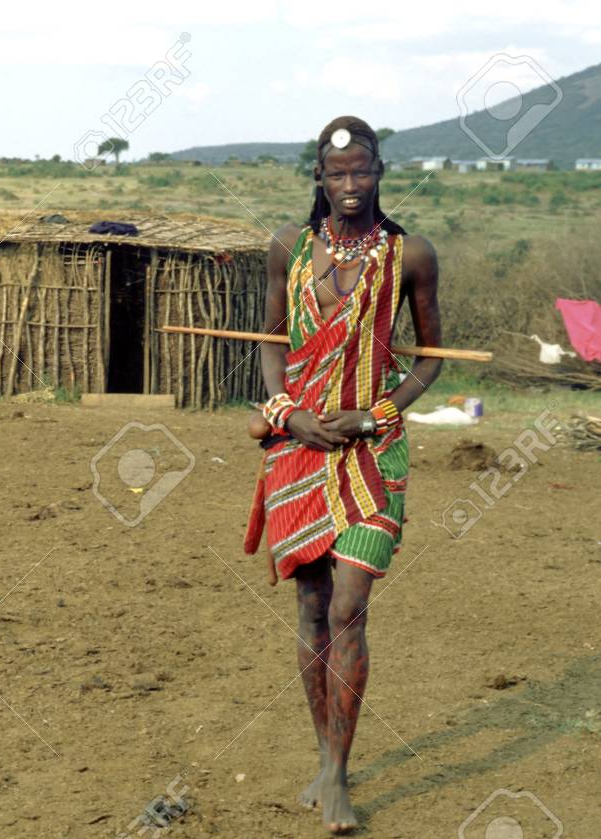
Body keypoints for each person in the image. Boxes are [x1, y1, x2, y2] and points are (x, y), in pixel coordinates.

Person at [245, 115, 443, 833]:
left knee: (348, 606)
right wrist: (286, 411)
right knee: (309, 608)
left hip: (370, 453)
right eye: (338, 175)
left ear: (380, 172)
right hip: (298, 452)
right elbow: (271, 344)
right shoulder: (287, 251)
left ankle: (336, 768)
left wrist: (374, 412)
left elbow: (430, 358)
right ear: (319, 181)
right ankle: (326, 753)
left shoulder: (410, 255)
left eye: (363, 172)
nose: (351, 186)